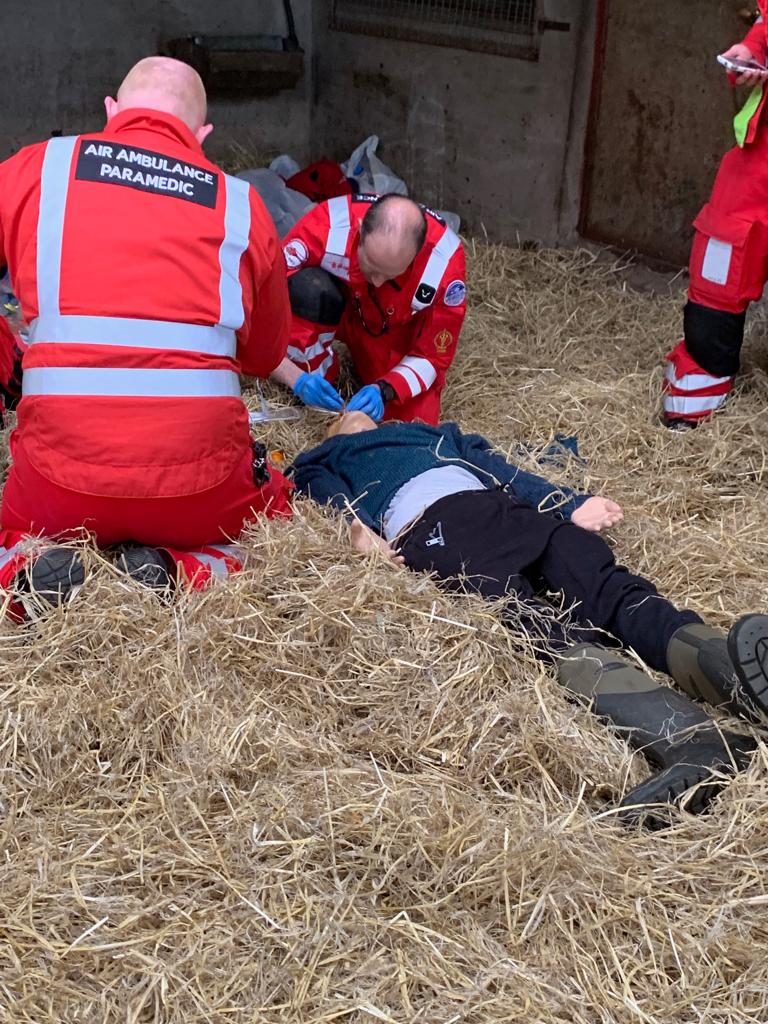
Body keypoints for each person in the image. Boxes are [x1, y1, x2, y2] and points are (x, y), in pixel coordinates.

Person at [293, 412, 768, 827]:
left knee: (608, 586)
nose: (350, 410)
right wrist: (358, 529)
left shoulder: (430, 434)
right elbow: (326, 498)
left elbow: (503, 470)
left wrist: (567, 501)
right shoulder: (325, 459)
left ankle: (731, 673)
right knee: (532, 625)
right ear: (330, 434)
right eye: (338, 414)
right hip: (432, 532)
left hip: (506, 509)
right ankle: (693, 739)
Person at [0, 56, 293, 606]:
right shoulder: (239, 204)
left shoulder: (38, 167)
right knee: (270, 523)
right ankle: (178, 570)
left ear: (111, 110)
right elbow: (265, 354)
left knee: (10, 526)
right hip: (197, 484)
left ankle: (21, 572)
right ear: (203, 134)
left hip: (58, 474)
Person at [269, 193, 467, 424]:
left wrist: (385, 389)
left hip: (391, 332)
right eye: (371, 268)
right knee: (307, 289)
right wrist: (296, 377)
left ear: (417, 252)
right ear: (360, 231)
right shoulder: (327, 226)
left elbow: (432, 356)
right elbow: (265, 296)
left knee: (413, 424)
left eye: (391, 274)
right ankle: (317, 376)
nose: (378, 282)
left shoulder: (444, 268)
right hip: (339, 307)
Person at [662, 8, 768, 427]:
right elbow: (762, 36)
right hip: (759, 163)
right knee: (721, 256)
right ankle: (697, 398)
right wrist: (750, 54)